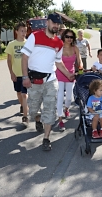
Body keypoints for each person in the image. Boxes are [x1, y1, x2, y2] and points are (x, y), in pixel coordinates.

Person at [21, 13, 74, 151]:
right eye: (54, 23)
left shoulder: (59, 43)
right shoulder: (35, 36)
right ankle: (37, 119)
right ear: (47, 23)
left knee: (50, 109)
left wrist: (68, 74)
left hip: (51, 80)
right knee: (33, 108)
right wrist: (25, 77)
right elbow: (24, 57)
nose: (56, 26)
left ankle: (46, 138)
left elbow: (58, 62)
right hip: (34, 80)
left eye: (58, 24)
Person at [56, 29, 83, 132]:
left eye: (71, 37)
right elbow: (56, 62)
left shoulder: (75, 48)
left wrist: (80, 68)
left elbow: (79, 61)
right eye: (67, 36)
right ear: (63, 37)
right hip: (60, 74)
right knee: (59, 97)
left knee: (69, 98)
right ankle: (60, 119)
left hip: (71, 75)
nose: (69, 39)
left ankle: (66, 109)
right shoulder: (59, 48)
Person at [5, 22, 29, 126]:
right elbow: (9, 60)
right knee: (19, 93)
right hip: (16, 74)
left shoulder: (28, 43)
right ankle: (23, 106)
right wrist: (11, 73)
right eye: (22, 31)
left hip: (26, 74)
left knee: (24, 95)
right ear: (16, 31)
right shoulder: (11, 44)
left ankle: (25, 117)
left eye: (25, 31)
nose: (24, 33)